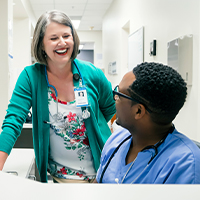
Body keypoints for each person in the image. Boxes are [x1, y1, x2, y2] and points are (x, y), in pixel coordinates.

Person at [0, 10, 115, 183]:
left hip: (103, 171)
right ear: (41, 44)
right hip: (61, 178)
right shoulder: (30, 77)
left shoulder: (93, 73)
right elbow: (13, 121)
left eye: (66, 36)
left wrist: (92, 125)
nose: (62, 43)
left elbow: (111, 111)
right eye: (54, 38)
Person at [95, 62, 200, 184]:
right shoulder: (117, 139)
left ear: (138, 111)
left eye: (119, 95)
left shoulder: (185, 164)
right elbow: (97, 187)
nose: (115, 99)